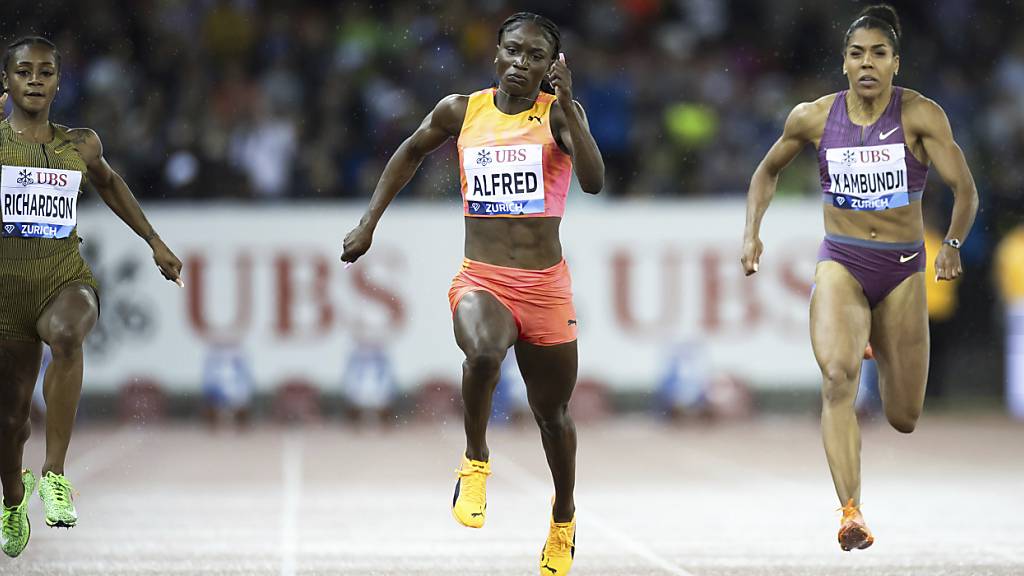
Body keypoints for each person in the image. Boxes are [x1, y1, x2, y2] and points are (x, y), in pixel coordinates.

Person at [341, 13, 603, 575]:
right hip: (482, 277)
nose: (520, 63)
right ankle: (476, 460)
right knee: (483, 352)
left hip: (546, 287)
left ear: (550, 67)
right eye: (512, 51)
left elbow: (594, 181)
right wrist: (369, 222)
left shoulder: (560, 116)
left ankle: (563, 517)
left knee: (552, 415)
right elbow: (409, 152)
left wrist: (572, 109)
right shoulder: (462, 111)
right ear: (496, 55)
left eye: (535, 56)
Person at [741, 5, 978, 551]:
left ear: (896, 62)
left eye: (878, 54)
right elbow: (766, 171)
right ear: (844, 63)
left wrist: (954, 244)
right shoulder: (814, 117)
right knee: (836, 379)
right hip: (841, 262)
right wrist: (752, 231)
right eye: (856, 54)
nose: (866, 63)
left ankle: (876, 335)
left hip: (901, 271)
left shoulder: (920, 116)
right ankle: (851, 511)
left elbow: (966, 189)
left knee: (904, 416)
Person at [0, 37, 183, 558]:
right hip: (4, 285)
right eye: (23, 71)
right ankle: (13, 499)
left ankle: (55, 472)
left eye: (46, 71)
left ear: (60, 81)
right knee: (10, 421)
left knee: (67, 332)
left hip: (63, 273)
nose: (35, 79)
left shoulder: (80, 144)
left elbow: (111, 184)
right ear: (7, 81)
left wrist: (154, 240)